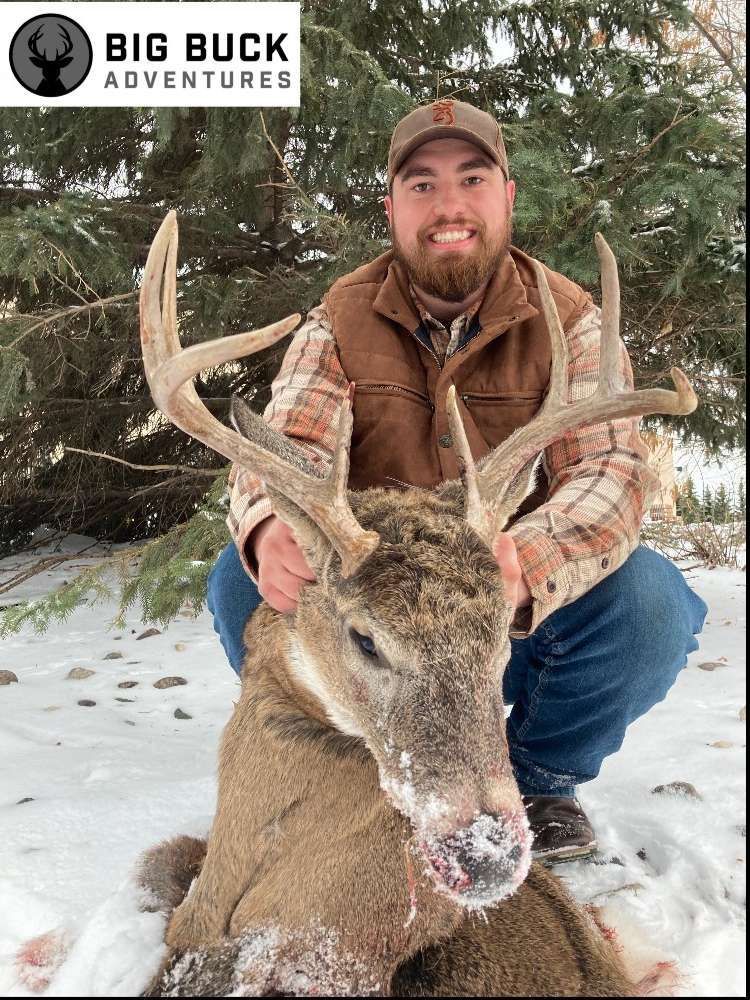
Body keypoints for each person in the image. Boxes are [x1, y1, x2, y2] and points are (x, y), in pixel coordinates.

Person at [207, 99, 707, 864]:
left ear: (506, 196)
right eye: (422, 185)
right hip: (383, 602)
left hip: (508, 605)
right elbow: (290, 443)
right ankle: (360, 756)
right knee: (243, 585)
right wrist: (270, 525)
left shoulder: (570, 323)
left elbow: (611, 474)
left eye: (471, 179)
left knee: (649, 605)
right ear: (392, 209)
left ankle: (540, 777)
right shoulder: (337, 321)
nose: (448, 206)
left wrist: (524, 562)